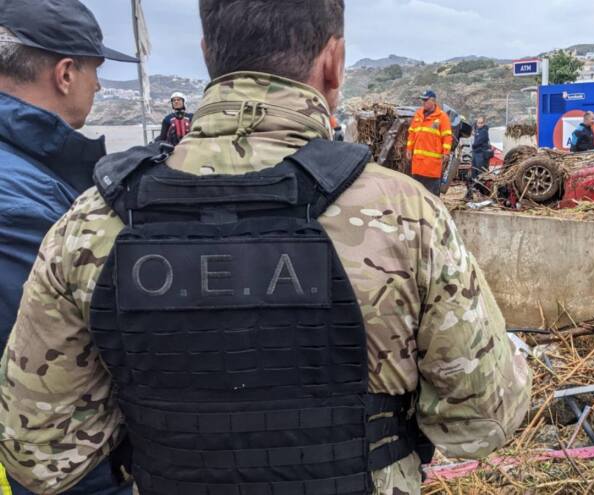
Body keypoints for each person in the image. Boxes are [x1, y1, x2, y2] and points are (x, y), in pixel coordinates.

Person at [0, 2, 532, 495]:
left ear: (209, 55)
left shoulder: (91, 224)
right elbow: (482, 421)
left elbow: (40, 455)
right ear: (335, 62)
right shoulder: (405, 216)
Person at [0, 1, 138, 494]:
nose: (98, 87)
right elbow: (50, 373)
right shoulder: (19, 205)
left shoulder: (26, 170)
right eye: (95, 71)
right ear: (64, 73)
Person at [406, 89, 453, 195]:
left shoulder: (442, 117)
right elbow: (412, 133)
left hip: (432, 166)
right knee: (417, 195)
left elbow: (447, 136)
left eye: (425, 100)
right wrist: (409, 149)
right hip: (417, 165)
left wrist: (446, 152)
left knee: (432, 195)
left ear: (433, 101)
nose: (423, 103)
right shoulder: (418, 114)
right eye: (422, 100)